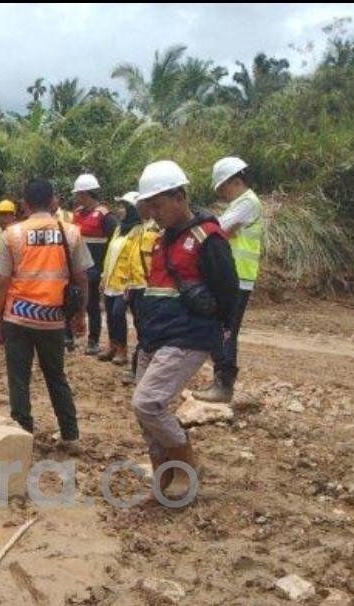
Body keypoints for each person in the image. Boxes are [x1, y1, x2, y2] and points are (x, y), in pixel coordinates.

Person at [131, 160, 238, 503]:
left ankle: (186, 466)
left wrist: (221, 343)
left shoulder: (208, 238)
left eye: (158, 205)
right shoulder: (163, 241)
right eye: (149, 207)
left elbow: (228, 294)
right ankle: (163, 476)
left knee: (148, 403)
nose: (153, 214)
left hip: (187, 336)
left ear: (180, 197)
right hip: (155, 337)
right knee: (145, 413)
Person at [0, 178, 92, 453]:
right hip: (53, 319)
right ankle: (70, 435)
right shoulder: (71, 232)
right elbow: (82, 278)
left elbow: (2, 281)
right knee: (56, 376)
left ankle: (22, 435)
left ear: (24, 204)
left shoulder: (12, 234)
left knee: (18, 378)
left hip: (18, 317)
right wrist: (81, 314)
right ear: (53, 201)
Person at [193, 157, 264, 404]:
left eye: (223, 188)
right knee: (222, 328)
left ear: (235, 181)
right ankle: (220, 381)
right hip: (233, 276)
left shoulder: (247, 203)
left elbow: (219, 229)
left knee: (226, 330)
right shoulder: (241, 203)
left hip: (238, 276)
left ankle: (223, 386)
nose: (222, 193)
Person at [72, 173, 118, 356]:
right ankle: (70, 335)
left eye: (78, 194)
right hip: (78, 267)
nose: (76, 197)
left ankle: (93, 340)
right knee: (73, 300)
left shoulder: (105, 216)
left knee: (92, 304)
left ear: (85, 193)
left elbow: (114, 243)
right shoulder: (77, 214)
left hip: (95, 268)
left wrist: (105, 270)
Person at [96, 192, 143, 366]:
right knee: (109, 314)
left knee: (118, 314)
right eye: (119, 206)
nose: (119, 210)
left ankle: (122, 349)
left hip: (125, 282)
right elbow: (110, 253)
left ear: (133, 210)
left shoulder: (139, 231)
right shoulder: (118, 229)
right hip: (111, 280)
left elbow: (135, 259)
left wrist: (130, 282)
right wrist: (103, 276)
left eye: (123, 207)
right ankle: (113, 345)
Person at [121, 194, 162, 384]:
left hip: (149, 287)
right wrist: (128, 284)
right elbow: (132, 260)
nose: (136, 209)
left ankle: (142, 370)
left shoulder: (157, 228)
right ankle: (140, 369)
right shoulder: (139, 229)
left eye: (138, 205)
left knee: (148, 329)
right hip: (136, 285)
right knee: (141, 328)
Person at [52, 192, 77, 351]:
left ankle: (69, 335)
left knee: (68, 299)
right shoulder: (41, 218)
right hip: (51, 263)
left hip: (67, 261)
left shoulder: (69, 217)